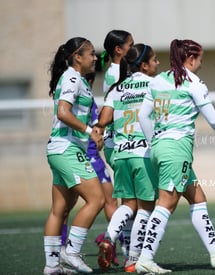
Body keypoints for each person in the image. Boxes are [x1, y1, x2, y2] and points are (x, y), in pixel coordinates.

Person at [136, 39, 215, 274]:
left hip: (161, 148)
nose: (201, 64)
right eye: (200, 59)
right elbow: (213, 120)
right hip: (176, 150)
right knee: (166, 203)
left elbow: (143, 116)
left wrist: (155, 143)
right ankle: (145, 258)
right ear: (191, 58)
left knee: (197, 198)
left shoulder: (158, 79)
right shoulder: (193, 83)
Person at [96, 43, 160, 273]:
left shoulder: (116, 87)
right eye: (154, 60)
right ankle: (132, 259)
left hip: (121, 153)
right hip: (143, 153)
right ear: (143, 64)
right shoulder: (154, 84)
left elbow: (103, 120)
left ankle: (108, 239)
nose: (158, 64)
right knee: (145, 207)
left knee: (127, 205)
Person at [43, 37, 104, 275]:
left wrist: (95, 130)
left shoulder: (77, 79)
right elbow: (63, 112)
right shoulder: (71, 77)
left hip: (62, 148)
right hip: (66, 148)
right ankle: (72, 252)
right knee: (96, 199)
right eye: (91, 53)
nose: (95, 57)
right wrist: (90, 132)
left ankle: (51, 266)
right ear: (78, 57)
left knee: (61, 209)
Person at [95, 29, 135, 261]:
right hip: (122, 143)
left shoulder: (119, 71)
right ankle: (122, 247)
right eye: (131, 44)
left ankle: (122, 246)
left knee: (132, 200)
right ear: (118, 50)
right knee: (134, 201)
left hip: (120, 143)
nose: (134, 47)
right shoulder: (117, 73)